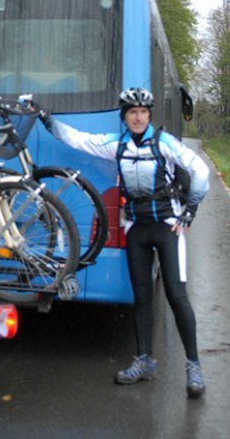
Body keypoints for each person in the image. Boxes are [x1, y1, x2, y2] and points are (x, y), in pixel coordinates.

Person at [38, 87, 210, 398]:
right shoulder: (117, 145)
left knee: (176, 295)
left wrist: (191, 209)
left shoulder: (165, 143)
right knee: (142, 297)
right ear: (125, 116)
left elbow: (200, 170)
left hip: (167, 228)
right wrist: (46, 120)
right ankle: (144, 360)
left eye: (143, 112)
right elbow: (78, 139)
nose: (139, 117)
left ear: (149, 115)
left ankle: (194, 365)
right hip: (137, 230)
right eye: (133, 112)